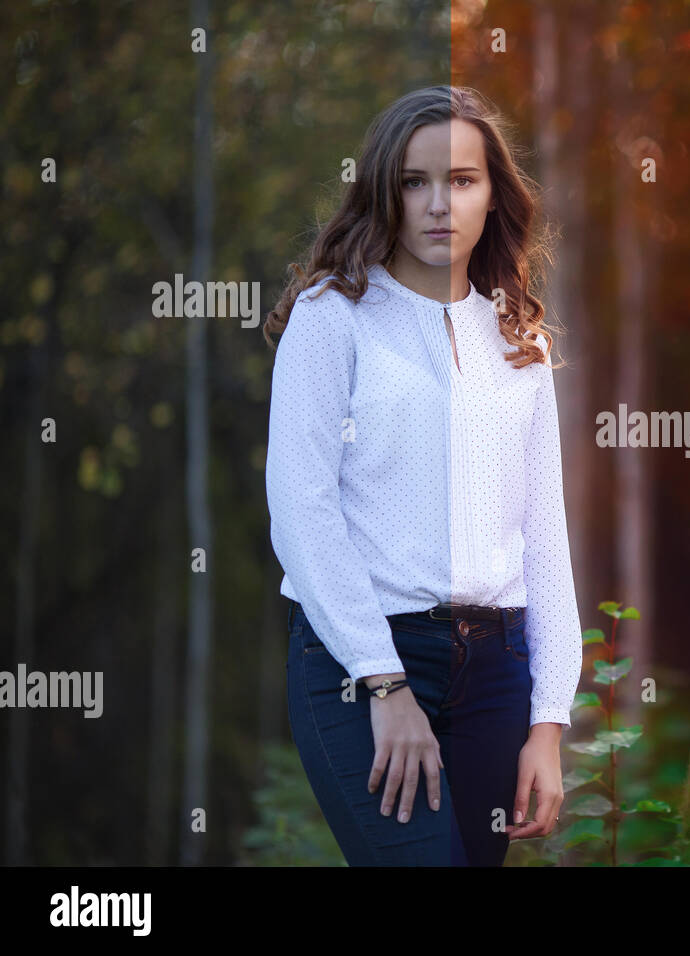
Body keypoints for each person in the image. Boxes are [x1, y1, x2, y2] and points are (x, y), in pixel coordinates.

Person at [263, 85, 583, 866]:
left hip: (498, 675)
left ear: (492, 195)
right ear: (385, 192)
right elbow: (302, 510)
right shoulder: (333, 315)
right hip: (360, 659)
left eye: (463, 180)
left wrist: (549, 721)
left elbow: (545, 538)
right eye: (415, 181)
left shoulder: (521, 343)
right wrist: (383, 682)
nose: (440, 204)